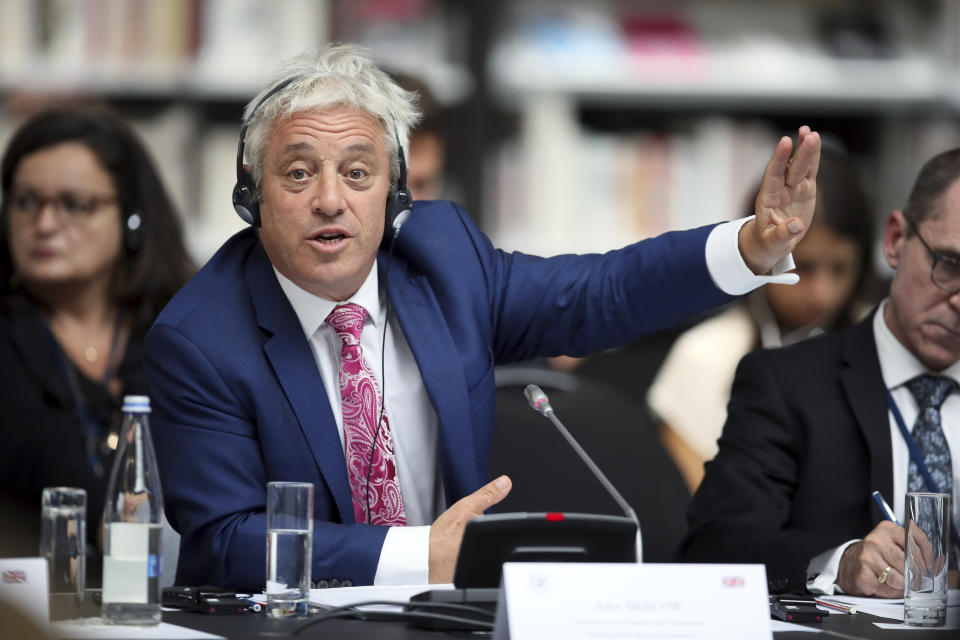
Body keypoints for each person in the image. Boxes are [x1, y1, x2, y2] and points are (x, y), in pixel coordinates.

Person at [144, 43, 821, 591]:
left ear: (395, 192)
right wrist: (422, 555)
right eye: (297, 174)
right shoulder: (201, 339)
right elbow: (225, 541)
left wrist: (748, 247)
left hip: (451, 618)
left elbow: (601, 293)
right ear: (250, 194)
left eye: (358, 173)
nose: (330, 200)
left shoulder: (444, 264)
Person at [678, 147, 960, 596]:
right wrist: (839, 562)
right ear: (894, 241)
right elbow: (715, 547)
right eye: (949, 265)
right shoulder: (786, 384)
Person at [0, 108, 194, 575]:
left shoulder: (184, 331)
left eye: (74, 204)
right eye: (26, 202)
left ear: (131, 217)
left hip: (165, 604)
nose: (45, 225)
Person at [648, 143, 876, 491]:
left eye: (841, 269)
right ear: (761, 246)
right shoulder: (702, 355)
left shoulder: (882, 342)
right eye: (806, 266)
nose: (822, 293)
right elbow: (694, 512)